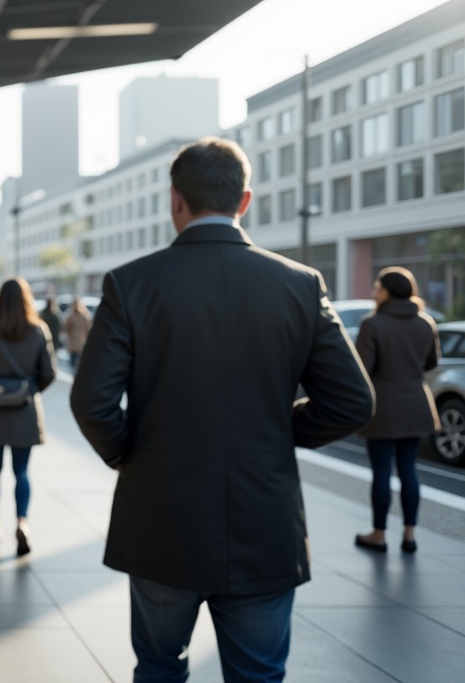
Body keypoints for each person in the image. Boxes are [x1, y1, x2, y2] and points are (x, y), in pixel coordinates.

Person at [69, 138, 374, 683]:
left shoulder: (131, 284)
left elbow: (92, 401)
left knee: (160, 668)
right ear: (245, 201)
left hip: (162, 519)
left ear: (175, 201)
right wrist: (283, 430)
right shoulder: (301, 285)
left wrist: (129, 453)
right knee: (257, 675)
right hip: (264, 521)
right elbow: (353, 401)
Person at [353, 266, 441, 554]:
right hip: (416, 403)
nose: (374, 291)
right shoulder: (426, 322)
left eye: (377, 286)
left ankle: (378, 535)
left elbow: (362, 369)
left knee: (381, 471)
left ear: (387, 291)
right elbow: (430, 364)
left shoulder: (373, 323)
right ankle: (409, 535)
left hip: (383, 407)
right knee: (408, 470)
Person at [0, 277, 56, 555]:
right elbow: (49, 373)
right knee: (21, 472)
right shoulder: (38, 330)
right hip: (23, 412)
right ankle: (23, 522)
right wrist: (26, 391)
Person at [62, 298, 93, 372]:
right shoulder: (85, 317)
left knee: (73, 363)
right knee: (79, 364)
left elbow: (65, 328)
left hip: (74, 342)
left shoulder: (71, 317)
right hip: (82, 343)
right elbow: (89, 330)